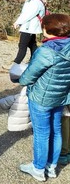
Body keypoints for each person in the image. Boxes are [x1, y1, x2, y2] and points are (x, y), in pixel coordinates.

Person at [18, 13, 70, 181]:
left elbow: (28, 76)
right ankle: (52, 166)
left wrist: (21, 79)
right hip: (61, 96)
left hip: (41, 98)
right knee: (56, 131)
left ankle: (38, 168)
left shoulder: (46, 51)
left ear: (48, 29)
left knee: (42, 133)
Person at [13, 0, 46, 64]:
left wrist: (18, 22)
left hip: (29, 27)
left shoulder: (35, 2)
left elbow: (27, 15)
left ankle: (16, 63)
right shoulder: (33, 1)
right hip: (30, 27)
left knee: (22, 45)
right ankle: (34, 60)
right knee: (32, 44)